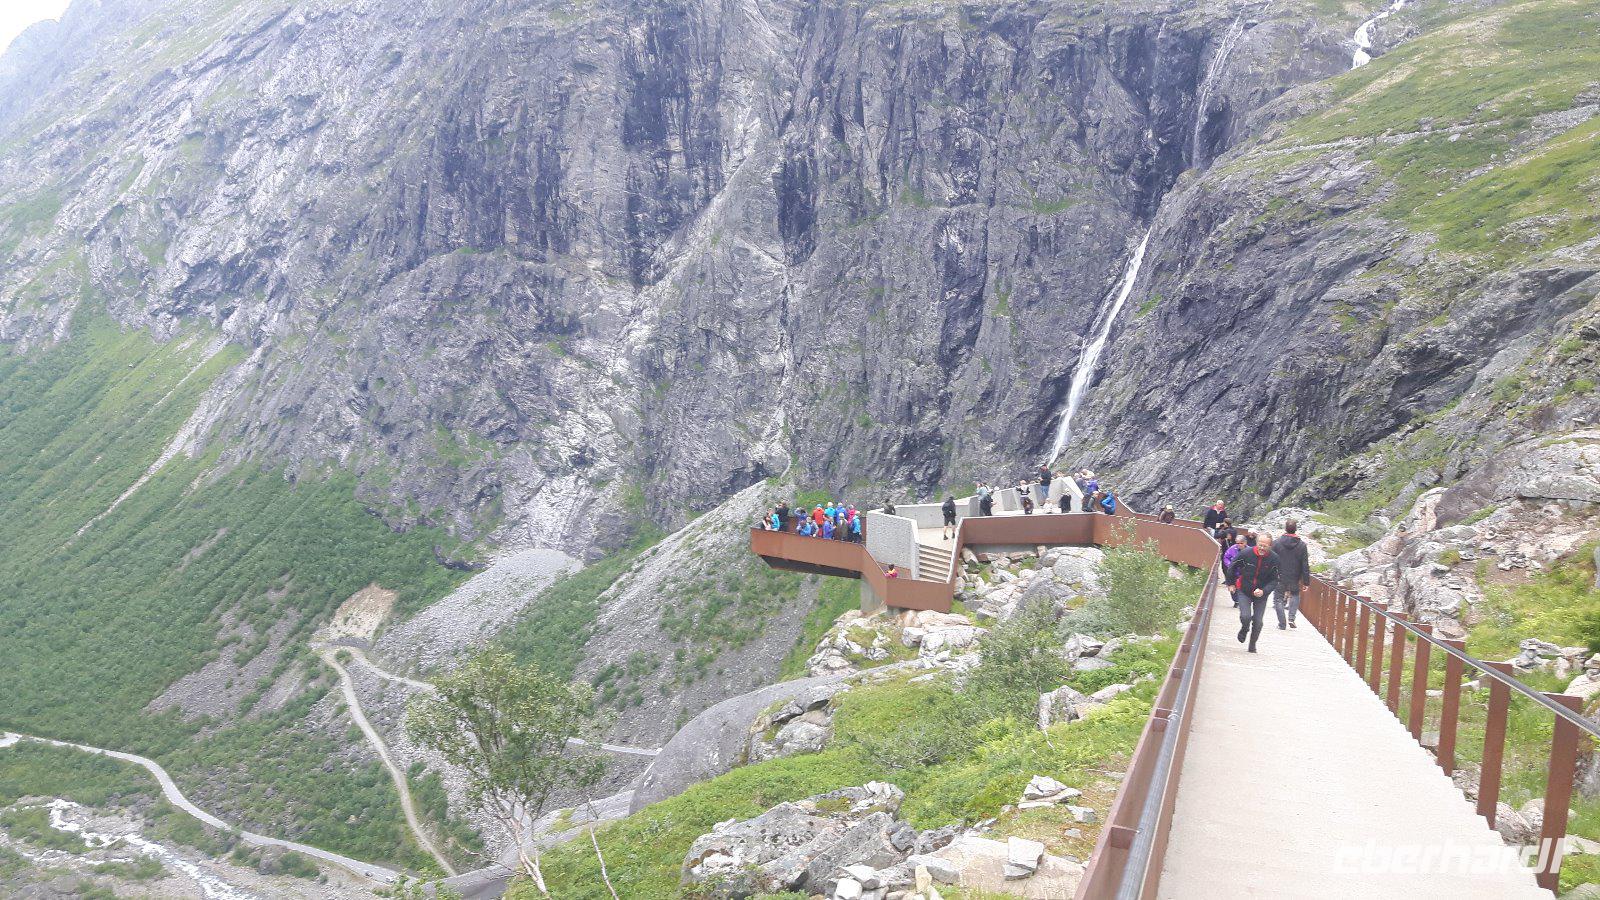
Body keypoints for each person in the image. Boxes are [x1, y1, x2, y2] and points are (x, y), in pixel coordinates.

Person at [1230, 533, 1279, 653]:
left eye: (1265, 546)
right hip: (1244, 590)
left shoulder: (1274, 559)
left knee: (1258, 622)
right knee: (1245, 616)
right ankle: (1244, 628)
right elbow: (1232, 566)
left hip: (1261, 594)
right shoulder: (1246, 553)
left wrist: (1264, 591)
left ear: (1270, 546)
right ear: (1257, 543)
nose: (1262, 548)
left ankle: (1252, 645)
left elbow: (1275, 580)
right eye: (1260, 545)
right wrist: (1231, 583)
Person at [1274, 519, 1312, 629]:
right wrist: (1306, 582)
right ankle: (1291, 618)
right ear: (1296, 529)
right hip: (1295, 576)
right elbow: (1305, 564)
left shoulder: (1276, 543)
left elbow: (1271, 560)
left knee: (1278, 599)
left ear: (1285, 528)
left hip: (1279, 576)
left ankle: (1282, 624)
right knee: (1295, 595)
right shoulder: (1302, 545)